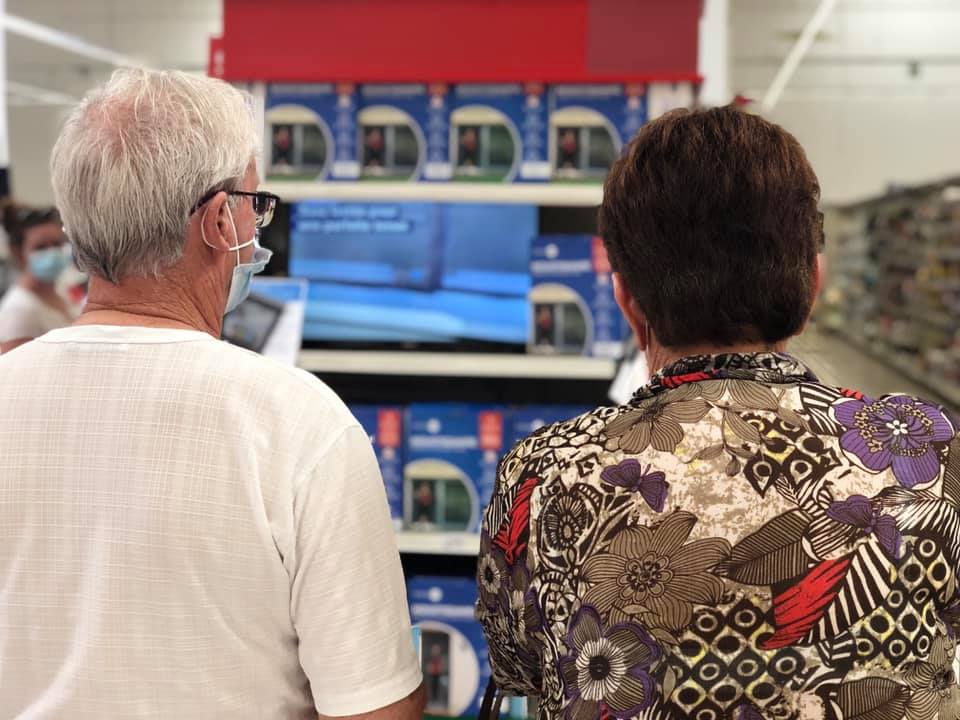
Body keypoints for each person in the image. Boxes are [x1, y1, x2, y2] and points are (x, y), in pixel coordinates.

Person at [477, 106, 960, 720]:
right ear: (813, 283)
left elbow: (522, 671)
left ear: (627, 301)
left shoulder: (542, 476)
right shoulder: (934, 455)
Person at [0, 69, 423, 719]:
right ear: (221, 221)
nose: (258, 224)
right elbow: (375, 708)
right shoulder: (298, 422)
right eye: (256, 202)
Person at [0, 205, 74, 352]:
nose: (52, 252)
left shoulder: (61, 291)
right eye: (40, 247)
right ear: (18, 253)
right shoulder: (19, 309)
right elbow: (14, 369)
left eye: (56, 244)